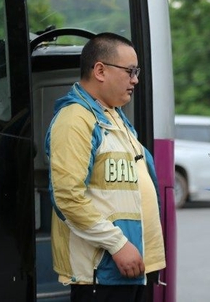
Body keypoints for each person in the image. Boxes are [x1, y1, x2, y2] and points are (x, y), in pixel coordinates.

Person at [45, 33, 166, 302]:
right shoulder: (75, 119)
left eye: (137, 72)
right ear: (100, 70)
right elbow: (66, 198)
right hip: (103, 270)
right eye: (130, 71)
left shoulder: (114, 116)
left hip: (130, 267)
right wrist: (118, 244)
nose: (135, 79)